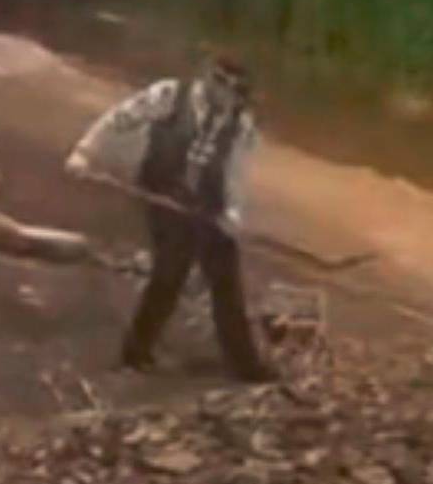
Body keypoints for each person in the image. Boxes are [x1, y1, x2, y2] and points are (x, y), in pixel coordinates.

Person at [65, 54, 277, 383]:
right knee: (171, 269)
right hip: (163, 193)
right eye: (220, 82)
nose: (224, 94)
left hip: (207, 204)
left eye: (235, 90)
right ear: (208, 77)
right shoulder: (169, 96)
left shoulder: (241, 128)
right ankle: (135, 353)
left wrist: (231, 216)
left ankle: (245, 364)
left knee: (225, 277)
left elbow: (235, 176)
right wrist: (85, 153)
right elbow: (118, 119)